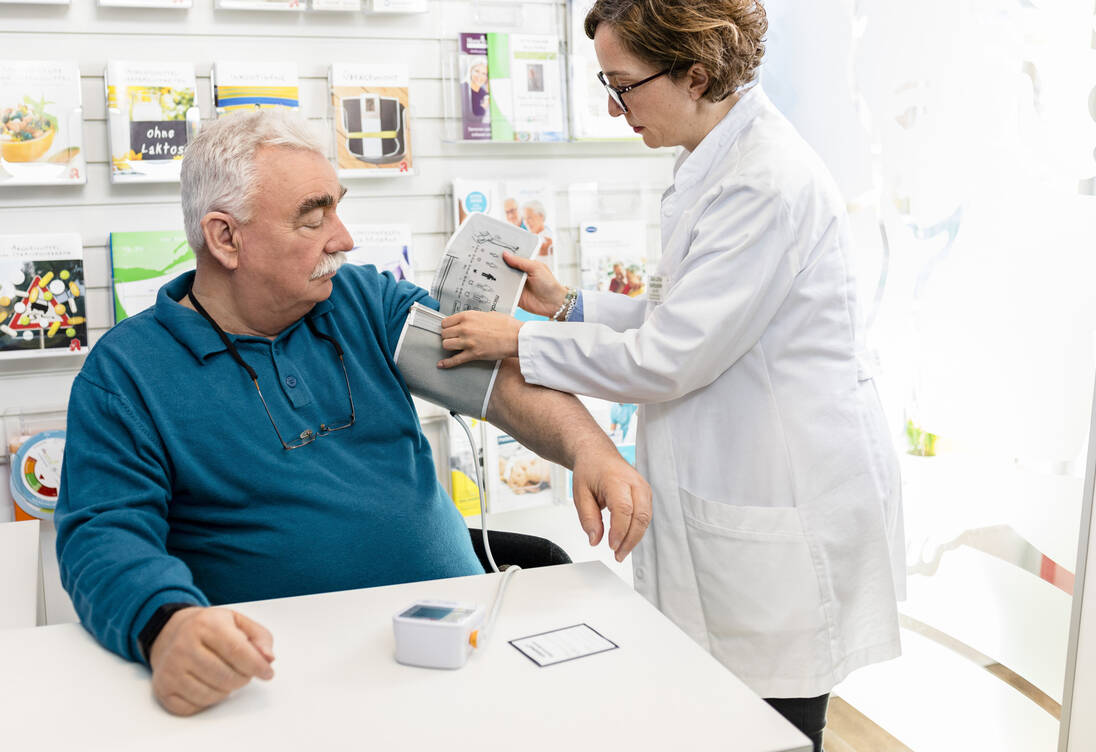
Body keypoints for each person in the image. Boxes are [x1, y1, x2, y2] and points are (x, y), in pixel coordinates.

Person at [55, 110, 651, 718]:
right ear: (225, 238)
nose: (343, 238)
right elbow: (105, 535)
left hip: (458, 653)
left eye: (337, 209)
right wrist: (166, 625)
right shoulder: (127, 372)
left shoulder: (362, 299)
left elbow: (495, 379)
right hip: (296, 691)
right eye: (313, 218)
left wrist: (591, 451)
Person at [435, 2, 905, 749]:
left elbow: (669, 359)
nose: (614, 108)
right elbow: (681, 321)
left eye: (624, 86)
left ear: (697, 73)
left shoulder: (765, 183)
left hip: (780, 502)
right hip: (737, 483)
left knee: (774, 727)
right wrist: (564, 306)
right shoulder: (712, 160)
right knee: (717, 710)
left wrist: (517, 340)